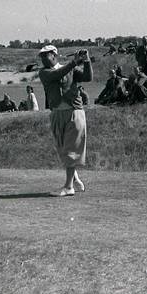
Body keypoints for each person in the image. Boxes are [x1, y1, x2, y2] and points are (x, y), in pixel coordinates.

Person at [38, 45, 93, 195]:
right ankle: (74, 178)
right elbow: (56, 74)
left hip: (74, 113)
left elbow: (88, 77)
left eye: (46, 55)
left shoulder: (70, 69)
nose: (43, 59)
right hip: (57, 113)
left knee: (71, 150)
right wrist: (74, 62)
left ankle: (68, 187)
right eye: (41, 56)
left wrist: (86, 61)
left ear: (54, 55)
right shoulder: (44, 72)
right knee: (63, 150)